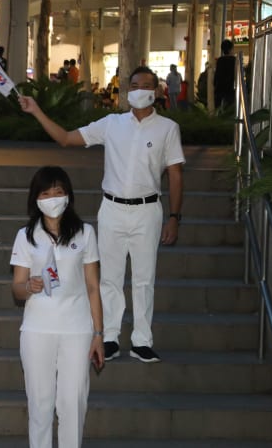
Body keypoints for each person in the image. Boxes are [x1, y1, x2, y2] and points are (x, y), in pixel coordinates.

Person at [19, 66, 185, 364]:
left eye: (146, 85)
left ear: (157, 91)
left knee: (144, 278)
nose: (139, 90)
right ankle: (109, 337)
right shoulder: (112, 124)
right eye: (134, 85)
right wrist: (36, 111)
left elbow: (175, 174)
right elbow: (66, 138)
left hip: (148, 210)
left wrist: (175, 216)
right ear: (127, 90)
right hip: (112, 208)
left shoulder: (167, 128)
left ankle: (142, 341)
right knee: (109, 277)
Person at [11, 166, 104, 448]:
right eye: (45, 193)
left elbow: (92, 286)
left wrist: (99, 334)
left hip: (77, 329)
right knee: (40, 403)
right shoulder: (26, 236)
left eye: (58, 192)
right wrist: (29, 286)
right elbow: (17, 287)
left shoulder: (85, 233)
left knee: (73, 402)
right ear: (36, 199)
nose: (52, 198)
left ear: (68, 196)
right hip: (37, 328)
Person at [214, 39, 236, 110]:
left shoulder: (220, 61)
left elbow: (216, 76)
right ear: (230, 49)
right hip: (230, 90)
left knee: (218, 109)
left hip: (219, 90)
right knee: (229, 110)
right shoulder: (234, 60)